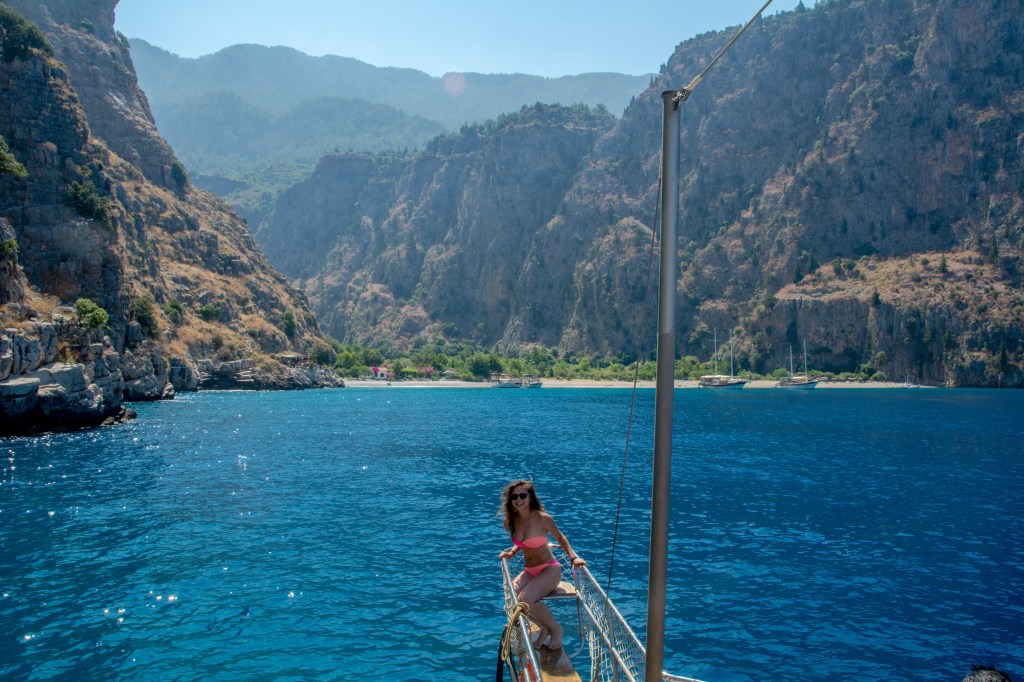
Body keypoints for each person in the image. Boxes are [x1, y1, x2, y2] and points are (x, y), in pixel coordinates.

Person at [498, 479, 586, 651]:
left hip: (549, 569)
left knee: (525, 599)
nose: (519, 499)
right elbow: (523, 542)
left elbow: (560, 538)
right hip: (530, 570)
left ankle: (555, 628)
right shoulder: (514, 519)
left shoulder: (542, 518)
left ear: (530, 497)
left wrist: (574, 558)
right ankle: (543, 626)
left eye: (523, 495)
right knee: (513, 596)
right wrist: (512, 552)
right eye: (515, 496)